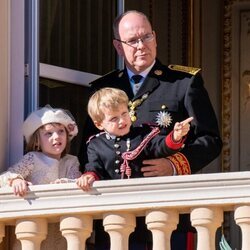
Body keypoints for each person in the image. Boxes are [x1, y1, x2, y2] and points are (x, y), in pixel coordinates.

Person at [79, 10, 222, 250]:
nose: (141, 45)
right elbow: (87, 147)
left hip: (169, 210)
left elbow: (211, 140)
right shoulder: (103, 88)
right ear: (118, 46)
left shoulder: (183, 83)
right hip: (114, 213)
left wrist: (174, 165)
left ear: (155, 38)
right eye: (132, 41)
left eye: (146, 37)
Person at [77, 87, 193, 190]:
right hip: (112, 199)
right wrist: (89, 176)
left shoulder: (144, 134)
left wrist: (176, 136)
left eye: (124, 113)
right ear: (99, 125)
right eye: (114, 118)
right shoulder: (95, 144)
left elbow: (161, 146)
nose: (122, 121)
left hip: (145, 194)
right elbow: (93, 167)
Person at [0, 105, 81, 197]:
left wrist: (66, 183)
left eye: (61, 131)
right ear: (37, 141)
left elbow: (77, 184)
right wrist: (16, 180)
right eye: (49, 133)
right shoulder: (32, 158)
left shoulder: (71, 161)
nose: (57, 136)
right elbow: (5, 177)